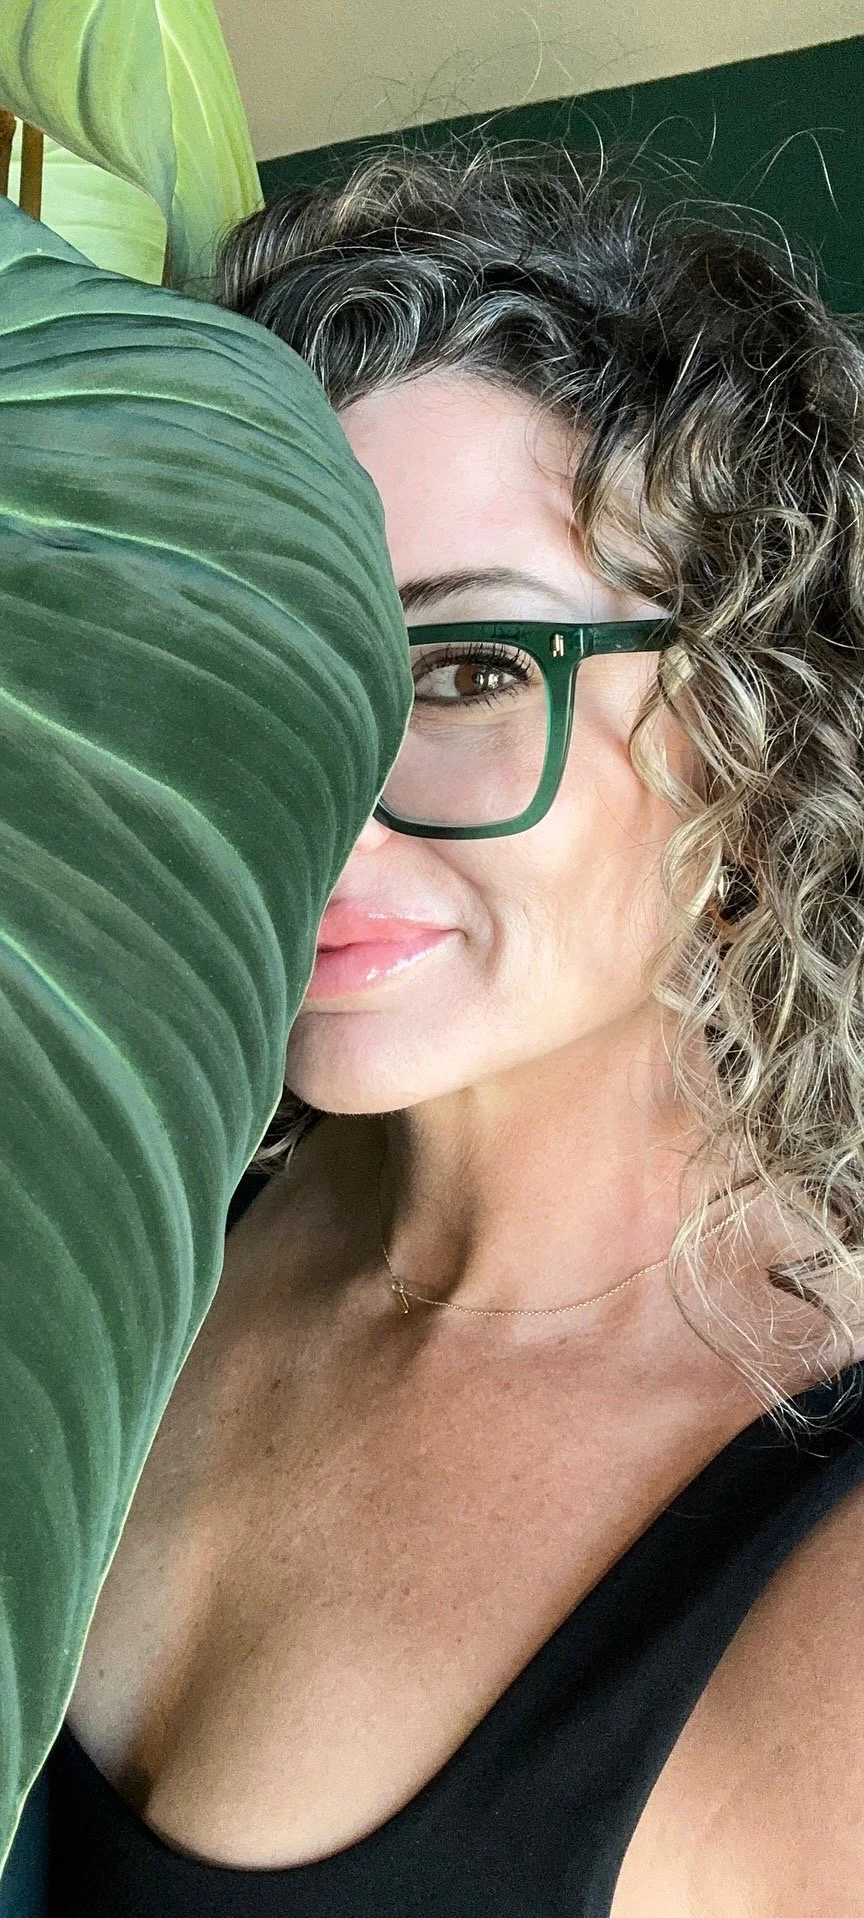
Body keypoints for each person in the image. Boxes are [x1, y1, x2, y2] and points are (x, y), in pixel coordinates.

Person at [42, 138, 864, 1916]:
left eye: (470, 672)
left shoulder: (823, 1581)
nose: (313, 817)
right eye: (258, 674)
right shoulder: (138, 1242)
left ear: (753, 734)